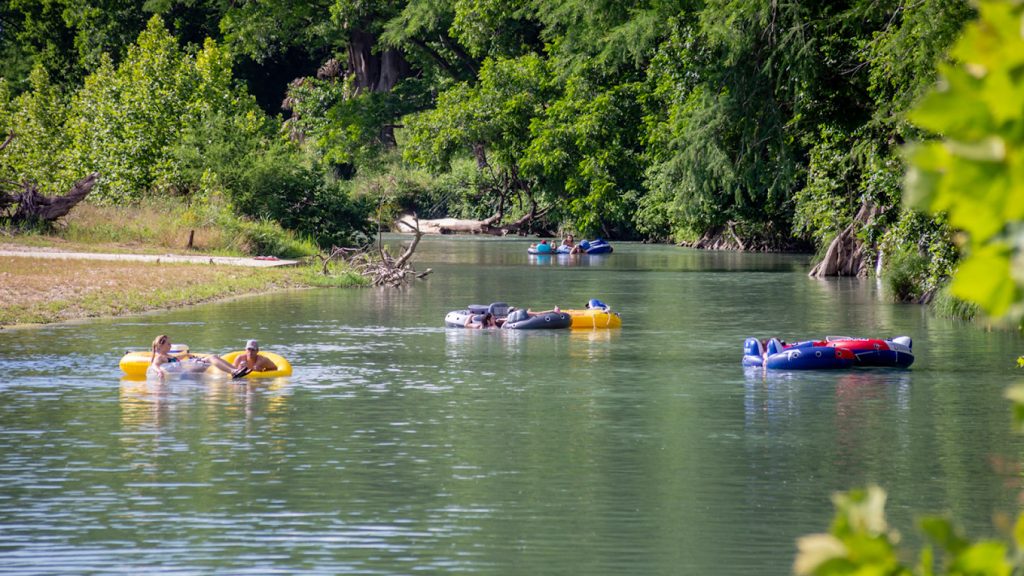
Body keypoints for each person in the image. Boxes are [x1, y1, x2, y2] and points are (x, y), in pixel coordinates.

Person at [149, 334, 244, 379]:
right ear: (161, 346)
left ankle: (236, 370)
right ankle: (234, 371)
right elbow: (154, 365)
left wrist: (186, 354)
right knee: (211, 358)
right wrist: (159, 372)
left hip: (186, 371)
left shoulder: (168, 356)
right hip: (186, 372)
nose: (170, 345)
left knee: (213, 356)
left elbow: (177, 359)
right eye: (168, 344)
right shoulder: (160, 357)